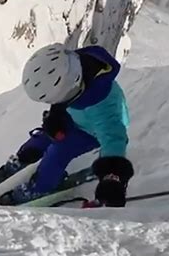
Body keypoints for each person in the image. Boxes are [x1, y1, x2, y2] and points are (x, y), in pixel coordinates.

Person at [10, 42, 134, 206]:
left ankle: (41, 187)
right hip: (76, 119)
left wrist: (112, 177)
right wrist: (55, 116)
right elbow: (62, 100)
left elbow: (113, 139)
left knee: (57, 152)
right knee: (43, 138)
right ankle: (29, 153)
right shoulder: (76, 70)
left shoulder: (105, 106)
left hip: (90, 132)